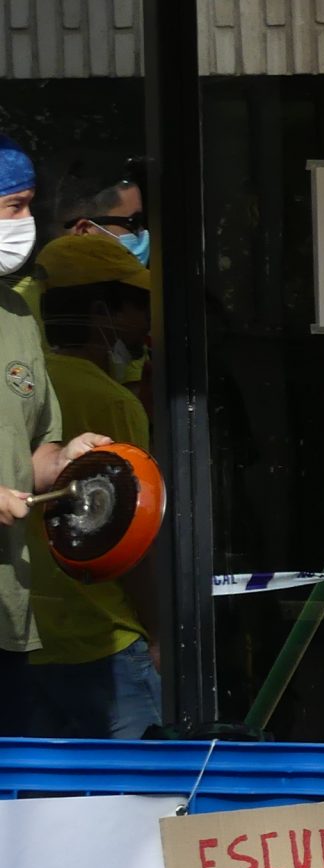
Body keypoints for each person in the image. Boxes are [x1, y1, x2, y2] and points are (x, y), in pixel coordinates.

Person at [0, 133, 116, 738]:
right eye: (13, 206)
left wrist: (64, 459)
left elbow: (32, 456)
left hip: (9, 619)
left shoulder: (17, 317)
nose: (26, 224)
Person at [23, 233, 158, 738]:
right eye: (138, 306)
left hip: (27, 643)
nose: (146, 324)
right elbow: (132, 532)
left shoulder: (26, 387)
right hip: (101, 638)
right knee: (138, 801)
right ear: (104, 311)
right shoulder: (111, 402)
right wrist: (159, 632)